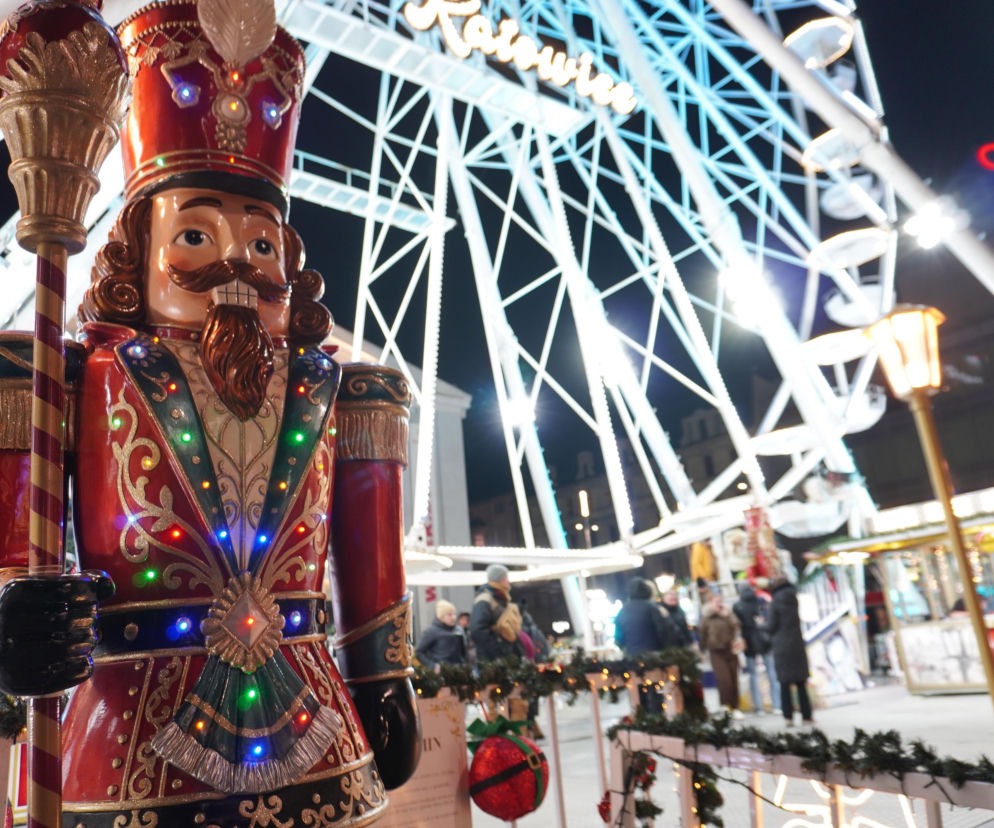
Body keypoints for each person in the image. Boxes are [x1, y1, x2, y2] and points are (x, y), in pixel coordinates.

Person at [0, 4, 420, 823]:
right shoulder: (64, 375)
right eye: (194, 234)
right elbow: (19, 536)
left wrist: (385, 676)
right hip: (127, 735)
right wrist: (17, 614)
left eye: (262, 245)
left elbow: (371, 565)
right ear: (134, 251)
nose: (236, 261)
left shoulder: (343, 392)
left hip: (319, 734)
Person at [768, 576, 814, 726]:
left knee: (784, 684)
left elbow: (771, 626)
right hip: (796, 644)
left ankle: (788, 718)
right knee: (801, 683)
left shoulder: (774, 603)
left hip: (782, 647)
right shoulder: (794, 600)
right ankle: (807, 716)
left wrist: (760, 625)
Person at [733, 584, 780, 715]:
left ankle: (758, 707)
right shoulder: (762, 602)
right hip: (765, 641)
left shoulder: (738, 606)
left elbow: (737, 626)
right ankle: (777, 705)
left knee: (752, 675)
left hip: (748, 643)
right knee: (772, 673)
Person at [698, 592, 743, 718]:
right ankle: (725, 705)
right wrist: (703, 650)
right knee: (724, 680)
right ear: (710, 603)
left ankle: (735, 707)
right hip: (716, 650)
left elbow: (737, 627)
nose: (719, 604)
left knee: (734, 679)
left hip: (731, 649)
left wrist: (728, 616)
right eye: (716, 601)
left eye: (720, 601)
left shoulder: (728, 614)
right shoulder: (707, 618)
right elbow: (702, 634)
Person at [471, 564, 525, 661]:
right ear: (500, 579)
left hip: (505, 655)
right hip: (495, 660)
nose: (508, 581)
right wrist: (497, 649)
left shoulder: (500, 598)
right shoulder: (485, 599)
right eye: (506, 578)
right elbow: (477, 629)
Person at [614, 578, 677, 656]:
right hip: (654, 655)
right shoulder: (652, 608)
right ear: (647, 591)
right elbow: (663, 631)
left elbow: (618, 639)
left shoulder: (622, 611)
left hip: (633, 656)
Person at [416, 600, 468, 668]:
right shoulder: (431, 632)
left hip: (459, 671)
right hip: (442, 673)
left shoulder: (459, 630)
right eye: (449, 615)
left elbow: (464, 652)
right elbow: (419, 652)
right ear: (441, 617)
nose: (453, 617)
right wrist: (433, 666)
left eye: (454, 614)